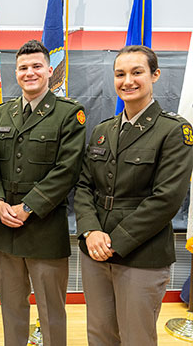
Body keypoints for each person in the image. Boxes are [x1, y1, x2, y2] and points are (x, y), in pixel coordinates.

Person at [74, 45, 193, 345]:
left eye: (137, 72)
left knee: (136, 337)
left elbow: (166, 199)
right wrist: (91, 231)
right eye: (120, 74)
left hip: (142, 254)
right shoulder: (103, 130)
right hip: (96, 251)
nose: (127, 81)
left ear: (155, 75)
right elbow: (84, 186)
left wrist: (115, 241)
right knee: (99, 334)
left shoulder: (174, 131)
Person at [0, 39, 86, 346]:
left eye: (36, 67)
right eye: (22, 68)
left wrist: (27, 207)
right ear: (15, 72)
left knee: (51, 312)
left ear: (49, 70)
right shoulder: (1, 114)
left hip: (45, 230)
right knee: (11, 309)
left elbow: (67, 170)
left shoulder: (70, 114)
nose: (29, 73)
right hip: (6, 231)